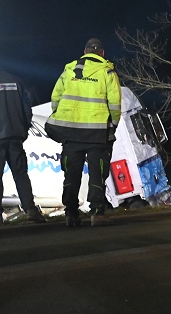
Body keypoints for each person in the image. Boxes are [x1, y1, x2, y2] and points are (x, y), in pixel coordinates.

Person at [46, 38, 123, 227]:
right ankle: (97, 213)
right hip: (97, 133)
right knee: (98, 174)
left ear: (85, 52)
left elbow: (55, 97)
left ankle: (71, 214)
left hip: (71, 133)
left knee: (71, 174)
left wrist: (62, 118)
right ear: (102, 53)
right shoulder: (107, 72)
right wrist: (112, 125)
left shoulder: (69, 70)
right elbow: (115, 103)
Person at [0, 52, 46, 225]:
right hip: (15, 137)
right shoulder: (16, 81)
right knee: (21, 175)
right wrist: (23, 128)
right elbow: (27, 108)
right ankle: (31, 211)